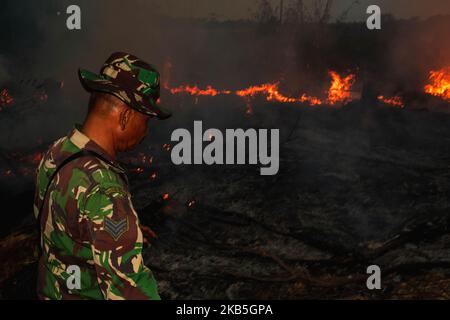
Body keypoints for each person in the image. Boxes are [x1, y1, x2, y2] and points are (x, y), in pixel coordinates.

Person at [33, 52, 171, 300]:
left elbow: (59, 224)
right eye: (146, 121)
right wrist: (113, 216)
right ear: (126, 116)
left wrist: (114, 227)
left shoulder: (57, 152)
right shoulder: (105, 190)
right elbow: (129, 291)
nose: (146, 131)